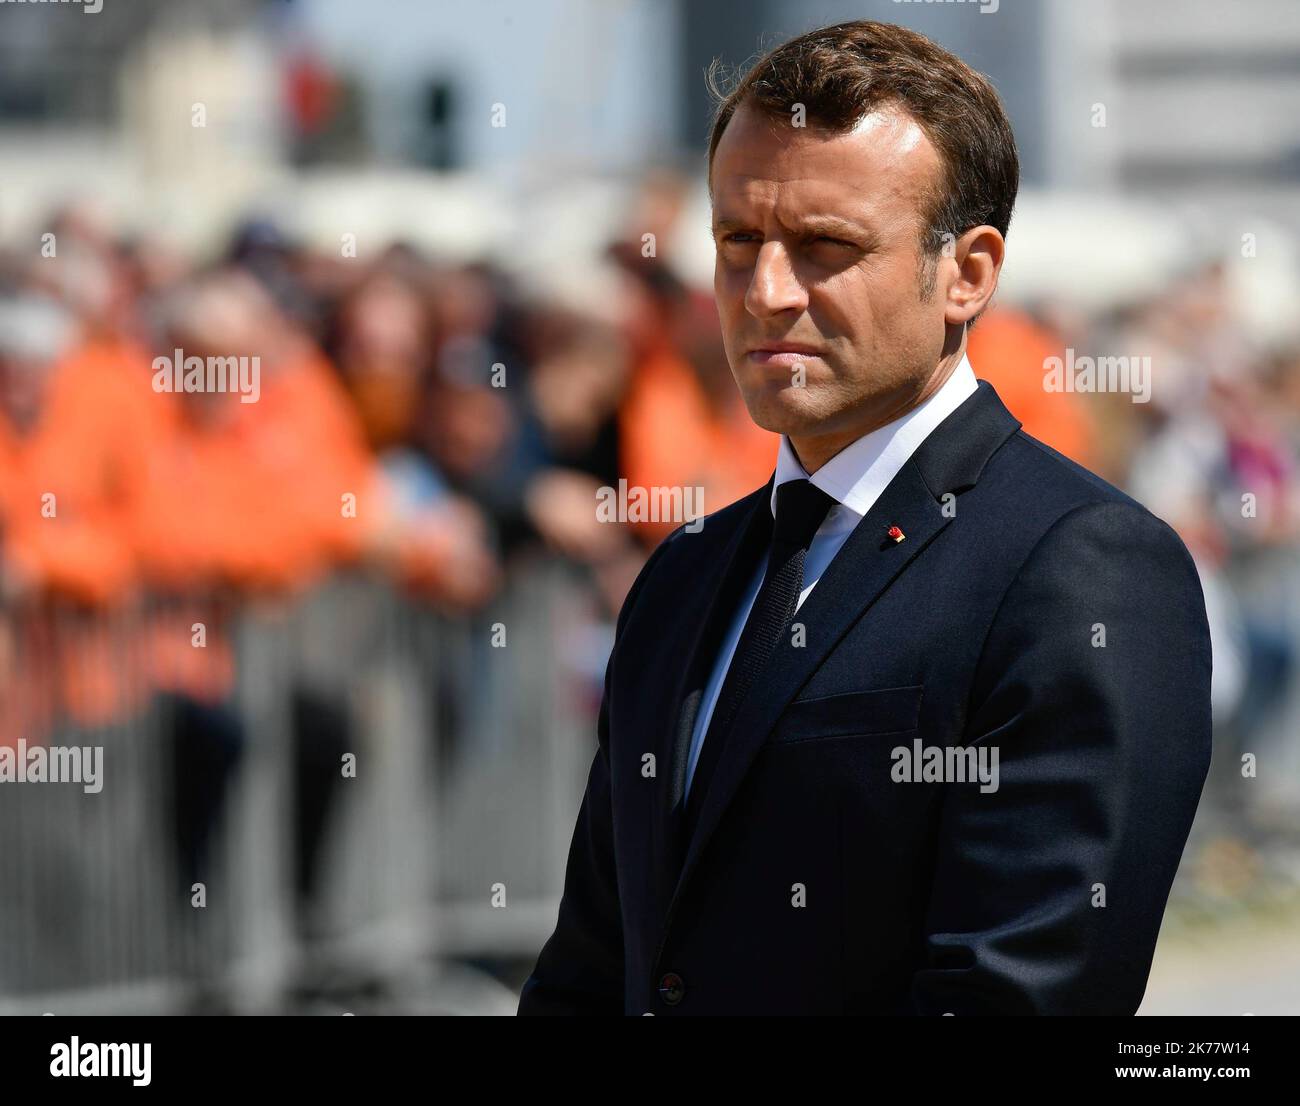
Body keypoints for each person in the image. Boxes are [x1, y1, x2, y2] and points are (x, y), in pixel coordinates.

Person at [518, 20, 1212, 1015]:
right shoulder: (685, 575)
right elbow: (593, 964)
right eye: (736, 241)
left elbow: (1022, 991)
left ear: (966, 273)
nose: (765, 292)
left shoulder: (1080, 568)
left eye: (824, 247)